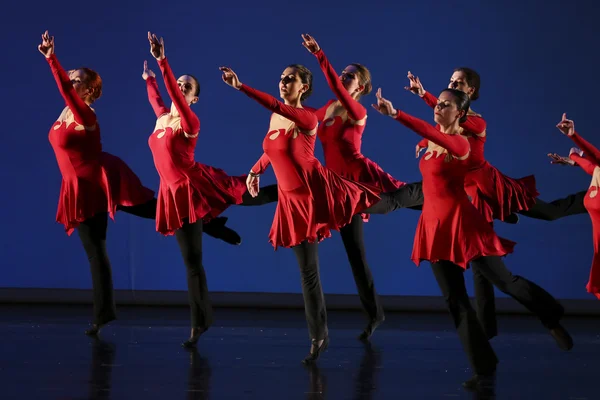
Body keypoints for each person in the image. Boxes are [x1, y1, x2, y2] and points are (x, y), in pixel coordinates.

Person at [370, 87, 572, 389]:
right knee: (456, 301)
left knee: (505, 280)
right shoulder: (433, 140)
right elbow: (430, 132)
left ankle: (551, 315)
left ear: (461, 114)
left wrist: (396, 113)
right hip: (434, 228)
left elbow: (432, 132)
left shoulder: (460, 143)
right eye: (437, 103)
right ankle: (484, 367)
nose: (438, 108)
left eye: (446, 105)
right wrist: (422, 113)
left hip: (466, 226)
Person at [220, 62, 380, 363]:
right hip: (288, 199)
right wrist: (254, 172)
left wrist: (241, 86)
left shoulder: (306, 117)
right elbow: (271, 148)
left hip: (310, 196)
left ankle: (319, 336)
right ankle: (321, 334)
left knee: (313, 269)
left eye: (289, 79)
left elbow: (273, 102)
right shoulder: (277, 117)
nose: (283, 82)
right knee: (306, 270)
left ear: (303, 87)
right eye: (281, 78)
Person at [145, 32, 258, 347]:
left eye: (187, 87)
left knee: (248, 196)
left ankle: (293, 188)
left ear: (193, 98)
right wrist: (149, 79)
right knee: (189, 257)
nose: (181, 88)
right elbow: (158, 99)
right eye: (179, 84)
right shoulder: (163, 119)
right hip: (171, 193)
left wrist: (162, 61)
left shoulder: (189, 121)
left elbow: (172, 96)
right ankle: (213, 226)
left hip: (194, 188)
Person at [301, 33, 404, 340]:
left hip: (362, 182)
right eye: (342, 73)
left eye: (350, 76)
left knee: (419, 198)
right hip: (337, 189)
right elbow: (305, 121)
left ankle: (483, 203)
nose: (344, 78)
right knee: (355, 254)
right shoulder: (330, 108)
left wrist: (320, 54)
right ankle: (376, 314)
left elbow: (334, 87)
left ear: (361, 87)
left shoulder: (359, 111)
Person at [548, 113, 600, 300]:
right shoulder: (596, 171)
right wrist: (573, 159)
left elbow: (594, 157)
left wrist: (573, 137)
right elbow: (590, 164)